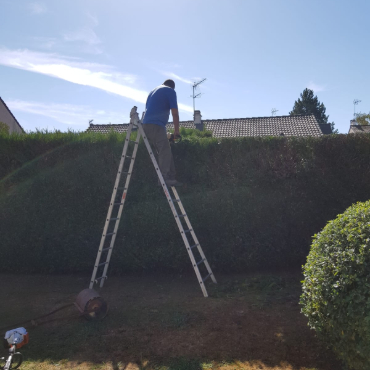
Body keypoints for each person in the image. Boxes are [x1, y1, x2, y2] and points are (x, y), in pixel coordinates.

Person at [142, 79, 182, 186]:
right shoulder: (170, 91)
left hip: (146, 125)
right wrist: (177, 131)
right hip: (156, 125)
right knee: (164, 150)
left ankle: (172, 176)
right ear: (172, 87)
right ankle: (164, 179)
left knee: (166, 150)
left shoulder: (153, 91)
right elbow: (175, 114)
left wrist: (167, 133)